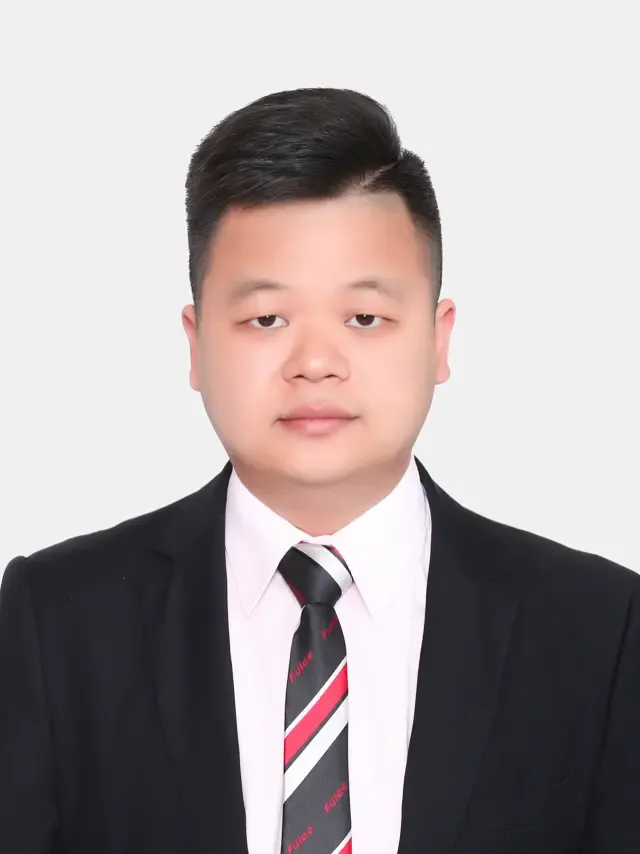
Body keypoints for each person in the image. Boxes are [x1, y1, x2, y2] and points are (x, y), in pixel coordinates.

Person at [0, 87, 638, 854]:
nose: (314, 363)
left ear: (438, 340)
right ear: (196, 345)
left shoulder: (599, 630)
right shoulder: (57, 621)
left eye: (365, 318)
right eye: (266, 318)